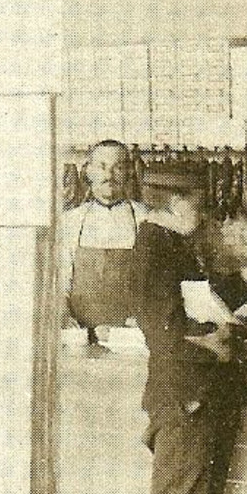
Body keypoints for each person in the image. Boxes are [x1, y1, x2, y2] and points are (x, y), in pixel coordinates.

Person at [127, 160, 247, 494]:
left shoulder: (176, 246)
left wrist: (238, 289)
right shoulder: (153, 252)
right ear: (176, 204)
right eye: (198, 201)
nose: (204, 210)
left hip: (203, 397)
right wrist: (219, 343)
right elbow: (167, 333)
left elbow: (195, 305)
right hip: (185, 400)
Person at [55, 140, 149, 343]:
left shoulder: (145, 218)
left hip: (130, 340)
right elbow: (60, 282)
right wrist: (63, 315)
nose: (109, 176)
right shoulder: (71, 220)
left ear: (129, 172)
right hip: (80, 336)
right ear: (88, 172)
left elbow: (155, 287)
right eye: (102, 167)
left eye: (118, 168)